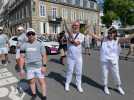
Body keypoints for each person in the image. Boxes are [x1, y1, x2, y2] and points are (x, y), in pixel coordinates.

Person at [90, 27, 134, 95]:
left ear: (115, 34)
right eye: (109, 33)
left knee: (116, 74)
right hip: (104, 60)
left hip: (113, 61)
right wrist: (89, 33)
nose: (110, 34)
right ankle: (105, 86)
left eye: (112, 33)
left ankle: (118, 86)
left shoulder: (118, 40)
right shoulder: (104, 39)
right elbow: (97, 37)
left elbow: (127, 38)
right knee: (104, 74)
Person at [19, 28, 47, 100]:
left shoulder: (40, 44)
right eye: (29, 34)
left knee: (41, 82)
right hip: (29, 67)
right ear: (27, 35)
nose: (31, 35)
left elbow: (44, 55)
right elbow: (22, 58)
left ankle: (44, 96)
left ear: (35, 35)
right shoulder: (24, 45)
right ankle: (34, 94)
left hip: (39, 66)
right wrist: (21, 69)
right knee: (31, 81)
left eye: (32, 34)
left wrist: (44, 66)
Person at [64, 20, 85, 93]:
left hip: (79, 57)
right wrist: (69, 33)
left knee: (79, 72)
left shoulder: (82, 35)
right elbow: (71, 40)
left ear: (79, 27)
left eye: (77, 25)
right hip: (70, 57)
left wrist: (73, 39)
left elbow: (76, 43)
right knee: (69, 71)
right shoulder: (67, 34)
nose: (75, 26)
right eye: (74, 25)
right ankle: (67, 83)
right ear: (72, 26)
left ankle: (78, 85)